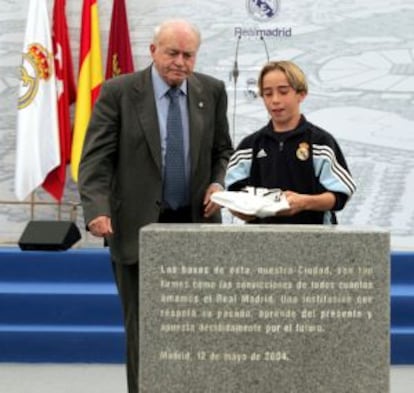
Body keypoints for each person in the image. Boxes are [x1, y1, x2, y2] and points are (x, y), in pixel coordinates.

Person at [77, 19, 233, 393]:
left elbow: (222, 151)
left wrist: (217, 182)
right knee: (144, 329)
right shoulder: (118, 92)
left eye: (188, 55)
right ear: (152, 51)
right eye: (172, 53)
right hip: (135, 229)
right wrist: (97, 208)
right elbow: (95, 160)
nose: (180, 62)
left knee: (199, 328)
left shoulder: (211, 91)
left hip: (197, 226)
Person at [225, 60, 356, 224]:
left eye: (283, 91)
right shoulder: (249, 146)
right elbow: (233, 192)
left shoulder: (321, 143)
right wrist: (242, 209)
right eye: (268, 93)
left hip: (314, 241)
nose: (275, 100)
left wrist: (305, 202)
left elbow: (340, 195)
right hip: (261, 243)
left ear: (301, 94)